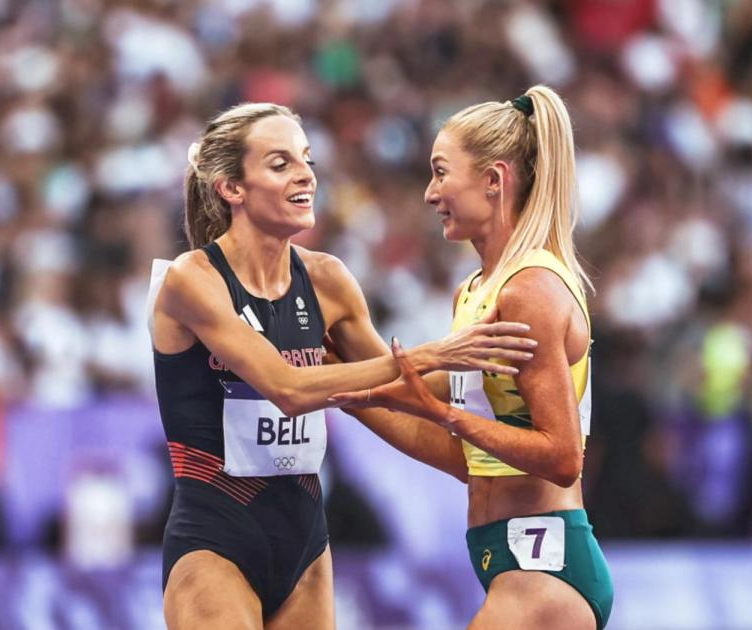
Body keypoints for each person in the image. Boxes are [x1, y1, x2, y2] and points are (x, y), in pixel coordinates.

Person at [148, 102, 538, 630]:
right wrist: (437, 352)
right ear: (231, 188)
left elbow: (401, 384)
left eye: (306, 159)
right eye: (280, 163)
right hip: (214, 540)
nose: (306, 174)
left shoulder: (328, 280)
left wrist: (504, 356)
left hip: (306, 543)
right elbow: (287, 388)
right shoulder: (191, 279)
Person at [330, 86, 614, 629]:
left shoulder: (529, 289)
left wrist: (443, 414)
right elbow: (466, 460)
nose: (429, 193)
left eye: (441, 172)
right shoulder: (474, 291)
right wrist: (349, 393)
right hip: (504, 557)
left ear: (493, 180)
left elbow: (562, 457)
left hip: (544, 568)